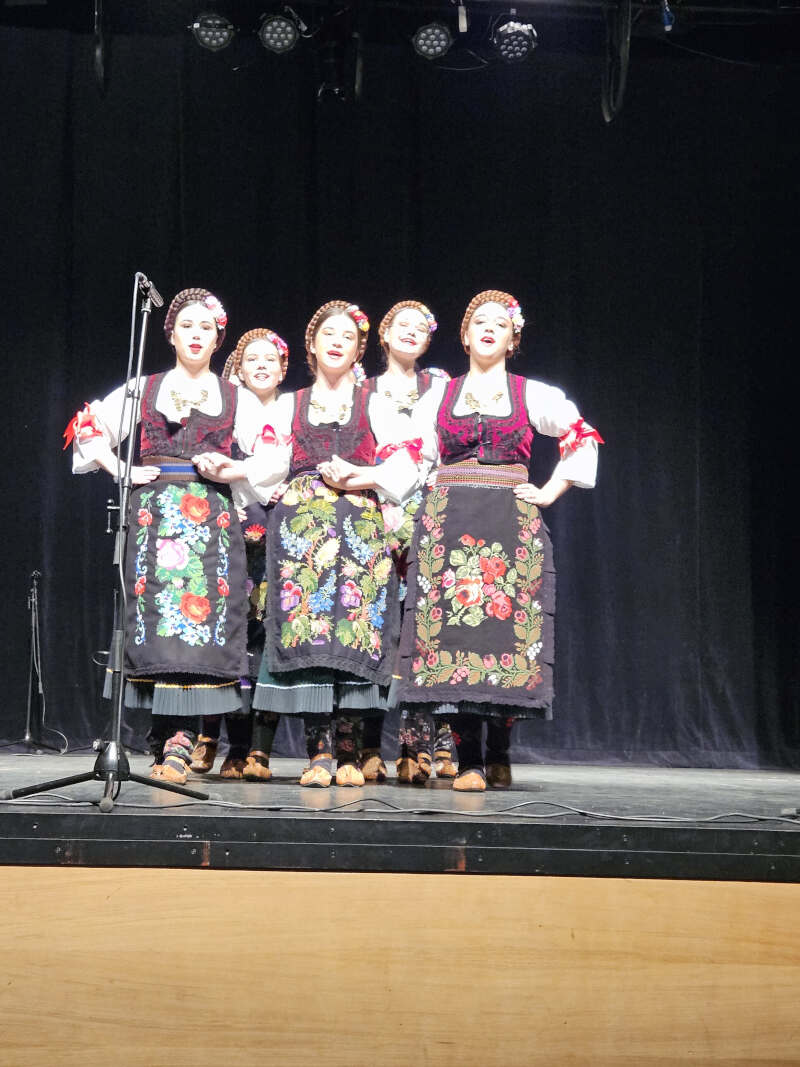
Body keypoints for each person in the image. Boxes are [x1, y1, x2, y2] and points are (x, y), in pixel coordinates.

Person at [393, 290, 602, 791]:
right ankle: (468, 758)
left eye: (500, 324)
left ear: (512, 340)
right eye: (479, 322)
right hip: (448, 526)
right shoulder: (438, 397)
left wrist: (550, 490)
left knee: (502, 639)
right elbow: (411, 456)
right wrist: (374, 486)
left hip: (509, 527)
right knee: (456, 640)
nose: (489, 328)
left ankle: (500, 751)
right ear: (465, 337)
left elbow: (581, 435)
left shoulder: (532, 394)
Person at [65, 287, 275, 784]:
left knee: (199, 634)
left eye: (206, 328)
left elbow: (273, 456)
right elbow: (89, 426)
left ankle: (180, 740)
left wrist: (232, 468)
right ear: (171, 334)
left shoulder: (235, 397)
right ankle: (163, 739)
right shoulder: (144, 387)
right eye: (187, 326)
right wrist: (121, 467)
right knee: (159, 630)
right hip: (154, 524)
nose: (196, 335)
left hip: (211, 526)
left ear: (218, 338)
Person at [223, 300, 420, 788]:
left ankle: (350, 751)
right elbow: (268, 463)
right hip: (303, 535)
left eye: (348, 337)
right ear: (311, 344)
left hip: (360, 532)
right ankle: (320, 752)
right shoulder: (288, 405)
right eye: (328, 334)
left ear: (358, 350)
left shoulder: (376, 404)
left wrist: (362, 475)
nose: (337, 342)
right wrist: (237, 470)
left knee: (353, 634)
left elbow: (407, 465)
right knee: (309, 637)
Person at [359, 300, 457, 785]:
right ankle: (368, 745)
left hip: (431, 507)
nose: (411, 332)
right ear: (384, 332)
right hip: (373, 508)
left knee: (425, 630)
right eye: (403, 325)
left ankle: (421, 746)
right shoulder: (361, 388)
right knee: (375, 627)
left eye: (421, 327)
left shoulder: (441, 387)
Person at [188, 327, 289, 780]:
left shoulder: (294, 411)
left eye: (270, 359)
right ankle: (213, 733)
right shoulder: (224, 409)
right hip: (228, 525)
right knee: (226, 632)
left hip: (280, 527)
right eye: (252, 359)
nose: (261, 366)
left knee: (268, 636)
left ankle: (253, 747)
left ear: (283, 369)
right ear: (238, 368)